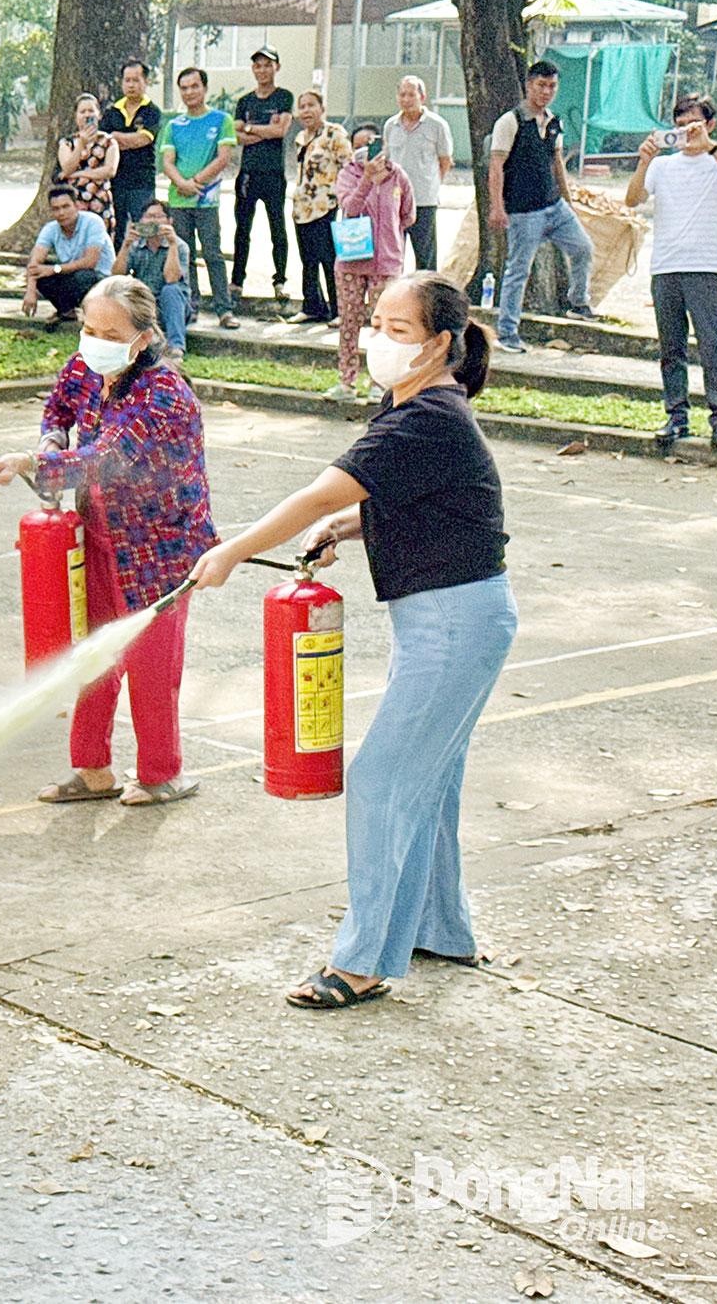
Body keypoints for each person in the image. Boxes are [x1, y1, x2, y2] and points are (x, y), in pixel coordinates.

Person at [191, 273, 514, 1010]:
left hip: (456, 623)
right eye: (376, 321)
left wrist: (235, 549)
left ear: (439, 345)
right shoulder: (416, 405)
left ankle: (365, 960)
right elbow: (417, 503)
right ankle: (442, 928)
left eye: (398, 331)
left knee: (382, 779)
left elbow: (319, 490)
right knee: (428, 780)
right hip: (441, 617)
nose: (378, 339)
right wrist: (349, 526)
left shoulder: (429, 415)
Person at [0, 275, 215, 807]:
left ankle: (161, 773)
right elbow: (60, 407)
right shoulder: (86, 369)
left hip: (159, 548)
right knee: (94, 653)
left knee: (150, 662)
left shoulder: (164, 396)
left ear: (142, 337)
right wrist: (50, 438)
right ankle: (91, 770)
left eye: (110, 333)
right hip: (100, 533)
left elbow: (104, 458)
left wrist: (33, 464)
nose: (95, 341)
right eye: (89, 328)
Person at [626, 94, 717, 455]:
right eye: (680, 124)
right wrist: (644, 161)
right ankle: (676, 414)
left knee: (714, 345)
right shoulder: (663, 166)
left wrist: (711, 147)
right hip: (666, 265)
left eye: (694, 124)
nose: (686, 131)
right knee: (672, 347)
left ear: (710, 124)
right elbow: (632, 199)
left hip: (707, 264)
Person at [488, 59, 596, 353]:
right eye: (541, 85)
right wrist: (497, 207)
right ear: (529, 85)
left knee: (583, 248)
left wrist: (569, 202)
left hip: (554, 204)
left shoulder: (554, 122)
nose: (546, 91)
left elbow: (557, 163)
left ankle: (578, 301)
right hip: (523, 209)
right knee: (518, 270)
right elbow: (496, 165)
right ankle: (508, 332)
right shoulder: (510, 122)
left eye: (552, 86)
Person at [330, 123, 415, 402]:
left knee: (385, 327)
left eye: (373, 144)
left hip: (386, 263)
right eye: (361, 145)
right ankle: (347, 381)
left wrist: (389, 239)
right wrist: (367, 179)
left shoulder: (398, 175)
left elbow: (408, 215)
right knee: (350, 322)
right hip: (352, 262)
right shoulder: (348, 174)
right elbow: (350, 209)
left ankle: (380, 382)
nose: (368, 151)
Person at [160, 67, 238, 329]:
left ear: (204, 88)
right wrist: (181, 183)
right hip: (179, 200)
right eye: (184, 87)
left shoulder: (221, 120)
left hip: (207, 200)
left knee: (213, 254)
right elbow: (168, 162)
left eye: (194, 86)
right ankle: (189, 306)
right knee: (185, 254)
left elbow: (223, 158)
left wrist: (195, 183)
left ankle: (224, 309)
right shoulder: (173, 125)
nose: (189, 92)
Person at [231, 47, 293, 310]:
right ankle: (236, 281)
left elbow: (280, 131)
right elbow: (236, 134)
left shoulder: (284, 97)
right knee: (242, 230)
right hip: (247, 173)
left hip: (274, 173)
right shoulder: (245, 101)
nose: (262, 70)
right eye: (258, 65)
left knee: (277, 229)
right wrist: (260, 131)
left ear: (276, 67)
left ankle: (280, 281)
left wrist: (251, 128)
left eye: (268, 65)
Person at [289, 89, 350, 326]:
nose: (306, 110)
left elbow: (348, 166)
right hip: (303, 206)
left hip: (328, 204)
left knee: (329, 259)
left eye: (311, 105)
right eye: (302, 106)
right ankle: (312, 306)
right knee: (308, 259)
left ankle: (339, 310)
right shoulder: (301, 137)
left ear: (322, 109)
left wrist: (345, 197)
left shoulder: (334, 133)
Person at [384, 75, 454, 270]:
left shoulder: (437, 125)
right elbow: (387, 160)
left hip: (424, 199)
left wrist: (432, 184)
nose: (406, 99)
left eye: (411, 95)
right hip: (395, 199)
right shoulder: (391, 126)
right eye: (402, 94)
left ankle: (427, 298)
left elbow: (445, 160)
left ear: (422, 97)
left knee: (425, 256)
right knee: (393, 255)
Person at [21, 185, 112, 329]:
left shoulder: (93, 222)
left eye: (66, 206)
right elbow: (35, 263)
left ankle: (95, 317)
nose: (61, 213)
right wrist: (30, 292)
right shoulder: (50, 229)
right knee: (43, 276)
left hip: (101, 278)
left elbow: (90, 262)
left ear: (77, 206)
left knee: (82, 277)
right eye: (56, 209)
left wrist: (55, 269)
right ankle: (66, 312)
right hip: (71, 273)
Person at [98, 58, 163, 245]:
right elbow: (103, 141)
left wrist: (116, 137)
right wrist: (126, 139)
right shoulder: (112, 112)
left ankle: (147, 268)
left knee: (145, 227)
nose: (131, 85)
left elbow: (143, 139)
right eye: (127, 80)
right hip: (116, 181)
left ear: (146, 82)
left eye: (136, 80)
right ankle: (118, 270)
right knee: (117, 229)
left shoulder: (152, 112)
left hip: (142, 182)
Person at [120, 198, 190, 362]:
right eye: (149, 216)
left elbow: (172, 279)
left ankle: (176, 347)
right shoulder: (136, 245)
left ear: (169, 221)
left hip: (174, 307)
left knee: (170, 290)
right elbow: (117, 275)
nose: (154, 221)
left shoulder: (180, 246)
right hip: (146, 306)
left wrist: (171, 244)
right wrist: (125, 245)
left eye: (159, 217)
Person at [55, 93, 119, 229]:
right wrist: (81, 144)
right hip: (74, 202)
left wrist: (78, 174)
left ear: (99, 115)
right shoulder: (67, 143)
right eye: (82, 112)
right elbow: (67, 169)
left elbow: (110, 170)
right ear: (76, 116)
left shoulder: (109, 142)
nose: (87, 115)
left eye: (91, 111)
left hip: (100, 201)